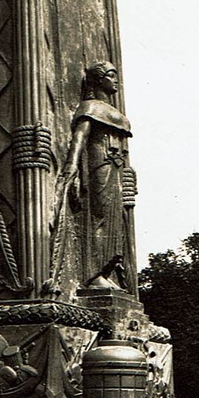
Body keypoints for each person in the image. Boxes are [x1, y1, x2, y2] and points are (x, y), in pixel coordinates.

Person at [53, 61, 133, 290]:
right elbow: (80, 136)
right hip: (100, 165)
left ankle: (105, 272)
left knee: (114, 221)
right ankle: (92, 274)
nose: (115, 80)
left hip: (115, 166)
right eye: (110, 75)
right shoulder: (90, 107)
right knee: (99, 216)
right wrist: (72, 165)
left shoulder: (116, 113)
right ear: (98, 80)